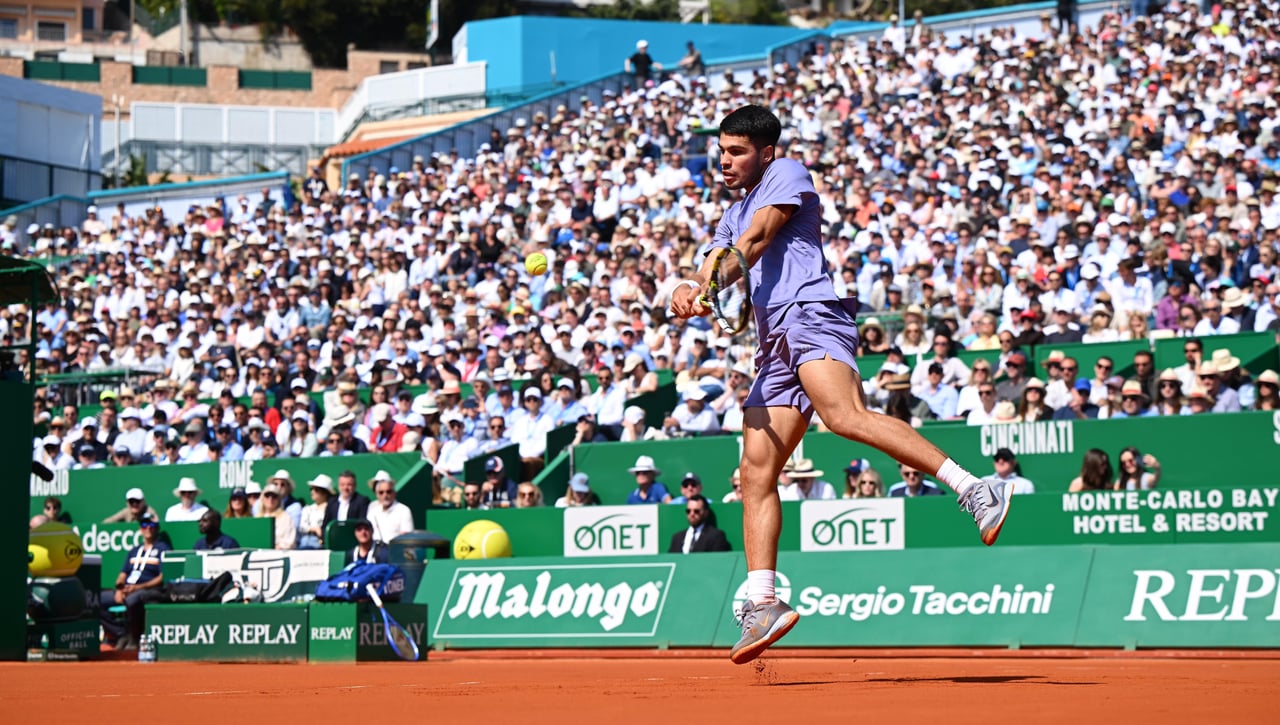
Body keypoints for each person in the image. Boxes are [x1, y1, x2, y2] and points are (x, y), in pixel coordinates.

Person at [669, 105, 1006, 664]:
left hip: (810, 313)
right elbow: (723, 260)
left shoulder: (787, 174)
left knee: (843, 417)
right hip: (773, 338)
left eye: (736, 153)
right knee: (754, 473)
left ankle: (975, 487)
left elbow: (755, 240)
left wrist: (715, 276)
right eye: (721, 152)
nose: (724, 163)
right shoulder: (732, 211)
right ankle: (763, 603)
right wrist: (694, 285)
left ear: (765, 152)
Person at [99, 515, 169, 650]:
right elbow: (122, 575)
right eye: (144, 525)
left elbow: (161, 577)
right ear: (140, 529)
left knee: (132, 601)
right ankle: (121, 633)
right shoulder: (134, 551)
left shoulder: (162, 549)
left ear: (157, 528)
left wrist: (137, 587)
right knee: (95, 600)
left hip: (147, 589)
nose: (148, 528)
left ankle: (134, 637)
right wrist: (120, 589)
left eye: (151, 525)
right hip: (126, 589)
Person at [368, 475, 414, 543]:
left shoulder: (404, 511)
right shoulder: (372, 512)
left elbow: (407, 539)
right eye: (381, 492)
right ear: (376, 494)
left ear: (394, 493)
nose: (385, 495)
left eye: (388, 492)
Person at [297, 474, 333, 549]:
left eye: (316, 490)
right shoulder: (307, 509)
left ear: (325, 493)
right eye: (311, 489)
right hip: (304, 542)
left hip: (321, 544)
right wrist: (315, 529)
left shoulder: (332, 509)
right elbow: (302, 526)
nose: (312, 492)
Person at [258, 482, 297, 549]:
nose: (270, 499)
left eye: (274, 496)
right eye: (267, 495)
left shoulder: (286, 518)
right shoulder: (258, 518)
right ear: (262, 498)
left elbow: (290, 542)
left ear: (279, 500)